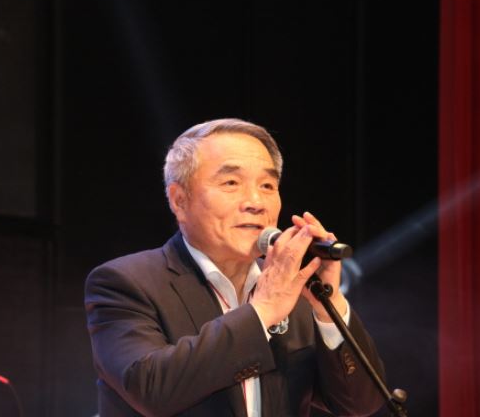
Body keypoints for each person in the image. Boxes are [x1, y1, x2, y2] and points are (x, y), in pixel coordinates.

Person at [85, 118, 385, 417]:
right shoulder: (125, 282)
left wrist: (328, 304)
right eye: (231, 183)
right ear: (179, 200)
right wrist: (263, 311)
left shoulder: (294, 291)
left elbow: (360, 404)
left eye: (267, 185)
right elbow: (150, 390)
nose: (256, 202)